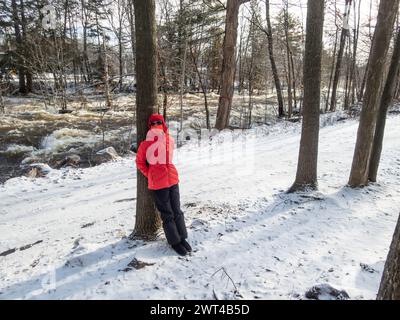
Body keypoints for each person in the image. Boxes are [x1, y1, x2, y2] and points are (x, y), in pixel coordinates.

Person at [135, 113, 192, 256]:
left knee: (177, 210)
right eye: (152, 123)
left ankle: (182, 237)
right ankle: (174, 242)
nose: (155, 125)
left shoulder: (169, 140)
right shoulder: (145, 144)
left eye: (158, 122)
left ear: (163, 124)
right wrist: (151, 174)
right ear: (149, 126)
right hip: (158, 184)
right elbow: (140, 163)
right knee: (167, 214)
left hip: (172, 179)